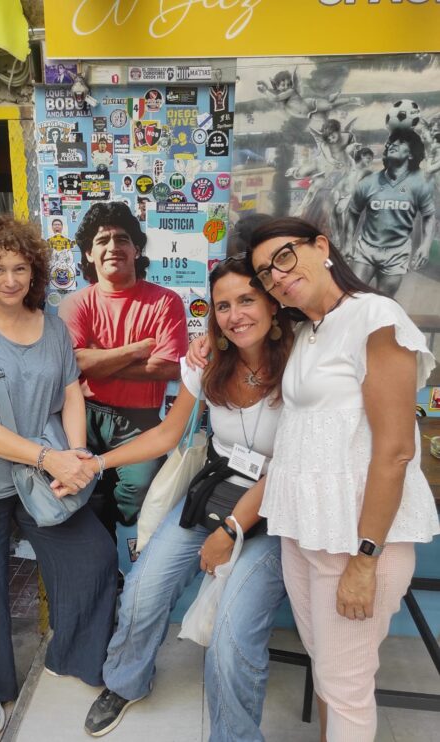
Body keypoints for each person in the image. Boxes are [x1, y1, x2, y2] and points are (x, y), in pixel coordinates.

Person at [72, 256, 293, 740]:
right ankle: (125, 681)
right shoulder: (210, 362)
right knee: (142, 590)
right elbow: (167, 433)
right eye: (223, 306)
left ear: (273, 304)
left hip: (276, 511)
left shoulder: (300, 366)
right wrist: (97, 463)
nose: (235, 315)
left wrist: (230, 532)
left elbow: (290, 467)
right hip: (214, 493)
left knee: (232, 636)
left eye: (247, 300)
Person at [241, 217, 438, 741]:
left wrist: (365, 561)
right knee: (330, 674)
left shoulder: (374, 317)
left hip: (355, 543)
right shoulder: (309, 330)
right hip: (306, 532)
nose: (277, 277)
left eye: (285, 256)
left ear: (321, 246)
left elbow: (395, 451)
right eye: (265, 273)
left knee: (346, 686)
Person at [0, 215, 118, 739]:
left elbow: (71, 394)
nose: (10, 279)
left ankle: (75, 654)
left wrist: (75, 455)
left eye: (19, 268)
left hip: (42, 475)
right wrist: (48, 457)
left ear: (34, 272)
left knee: (93, 556)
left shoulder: (53, 326)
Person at [58, 202, 188, 540]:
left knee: (138, 491)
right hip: (83, 414)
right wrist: (137, 349)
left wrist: (99, 361)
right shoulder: (76, 304)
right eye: (102, 241)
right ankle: (99, 550)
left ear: (136, 249)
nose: (113, 247)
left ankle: (121, 549)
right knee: (84, 493)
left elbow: (168, 366)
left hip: (139, 420)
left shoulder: (165, 301)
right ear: (89, 254)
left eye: (122, 239)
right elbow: (74, 363)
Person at [346, 128, 436, 296]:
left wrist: (425, 245)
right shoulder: (368, 183)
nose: (394, 144)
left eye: (401, 143)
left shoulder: (419, 184)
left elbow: (429, 216)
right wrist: (347, 243)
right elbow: (352, 212)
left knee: (384, 301)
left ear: (411, 155)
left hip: (397, 253)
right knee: (353, 296)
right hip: (366, 249)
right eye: (392, 142)